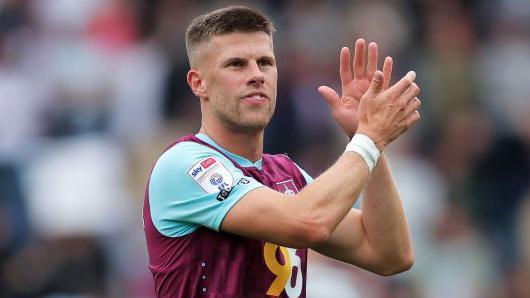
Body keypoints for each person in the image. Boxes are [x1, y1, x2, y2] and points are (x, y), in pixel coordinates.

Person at [143, 5, 421, 298]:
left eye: (265, 62)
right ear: (198, 83)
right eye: (236, 64)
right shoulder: (184, 165)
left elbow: (391, 254)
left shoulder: (287, 175)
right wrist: (368, 138)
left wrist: (365, 135)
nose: (256, 75)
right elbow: (308, 223)